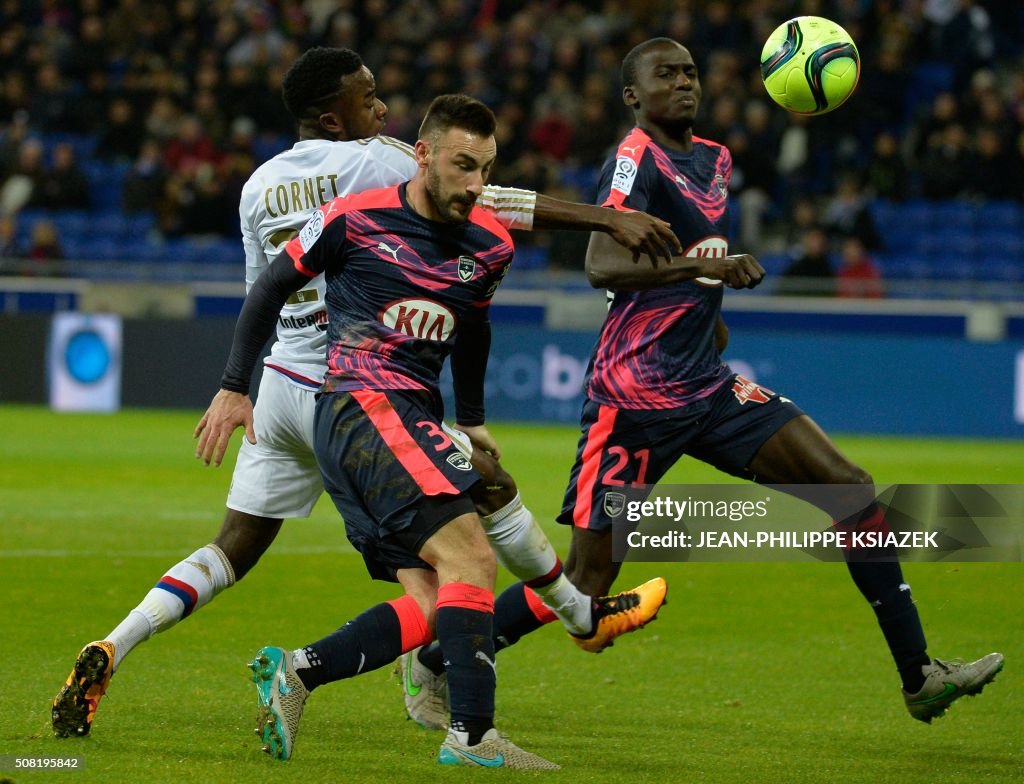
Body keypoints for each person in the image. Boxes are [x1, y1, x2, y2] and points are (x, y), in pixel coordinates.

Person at [52, 47, 674, 742]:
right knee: (461, 554)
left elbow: (266, 283)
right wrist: (603, 218)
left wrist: (235, 386)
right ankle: (499, 649)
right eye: (368, 97)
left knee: (234, 548)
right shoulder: (378, 162)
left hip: (281, 383)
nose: (381, 108)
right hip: (358, 392)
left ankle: (117, 641)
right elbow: (490, 203)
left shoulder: (259, 183)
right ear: (333, 117)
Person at [410, 38, 1005, 729]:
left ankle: (920, 675)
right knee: (585, 579)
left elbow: (689, 263)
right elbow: (603, 263)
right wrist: (706, 272)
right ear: (633, 96)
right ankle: (435, 660)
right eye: (666, 74)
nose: (685, 81)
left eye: (690, 71)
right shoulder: (635, 157)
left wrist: (706, 314)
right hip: (631, 401)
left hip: (708, 385)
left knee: (852, 490)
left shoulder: (717, 158)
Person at [209, 93, 566, 769]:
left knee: (435, 603)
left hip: (405, 422)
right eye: (463, 165)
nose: (475, 184)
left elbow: (474, 329)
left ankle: (298, 671)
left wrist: (473, 418)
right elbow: (269, 288)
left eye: (486, 170)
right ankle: (472, 736)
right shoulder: (352, 218)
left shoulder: (491, 243)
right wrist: (234, 385)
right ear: (424, 154)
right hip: (361, 408)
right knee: (474, 559)